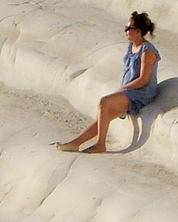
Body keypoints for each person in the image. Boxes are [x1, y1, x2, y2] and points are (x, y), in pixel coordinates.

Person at [56, 11, 159, 153]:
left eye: (128, 28)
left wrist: (122, 89)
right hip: (130, 90)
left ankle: (100, 144)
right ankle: (75, 143)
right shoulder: (132, 47)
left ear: (138, 31)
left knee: (104, 102)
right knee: (104, 117)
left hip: (141, 93)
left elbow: (143, 79)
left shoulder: (147, 51)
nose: (125, 31)